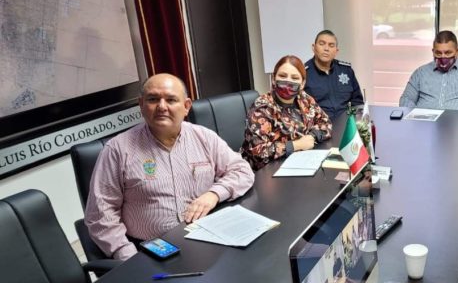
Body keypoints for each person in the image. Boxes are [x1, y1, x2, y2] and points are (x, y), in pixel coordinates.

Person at [85, 73, 255, 261]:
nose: (162, 107)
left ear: (186, 106)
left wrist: (214, 194)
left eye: (171, 100)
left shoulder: (204, 137)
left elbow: (242, 171)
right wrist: (128, 258)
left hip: (206, 238)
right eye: (153, 99)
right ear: (141, 105)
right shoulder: (117, 150)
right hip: (149, 251)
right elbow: (100, 215)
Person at [243, 55, 332, 170]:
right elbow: (257, 152)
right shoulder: (262, 107)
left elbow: (325, 122)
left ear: (302, 83)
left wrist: (312, 136)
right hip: (265, 171)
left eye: (294, 78)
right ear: (273, 79)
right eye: (282, 76)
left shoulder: (304, 99)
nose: (288, 81)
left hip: (299, 163)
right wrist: (296, 145)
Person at [399, 30, 458, 111]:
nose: (443, 57)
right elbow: (406, 99)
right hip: (424, 121)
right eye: (438, 53)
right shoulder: (420, 72)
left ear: (457, 51)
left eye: (448, 53)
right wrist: (415, 116)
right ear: (433, 52)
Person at [304, 29, 363, 120]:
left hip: (346, 124)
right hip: (318, 124)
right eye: (322, 44)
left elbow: (357, 102)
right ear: (313, 47)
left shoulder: (346, 70)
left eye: (331, 45)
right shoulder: (303, 73)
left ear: (336, 51)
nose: (326, 49)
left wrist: (355, 122)